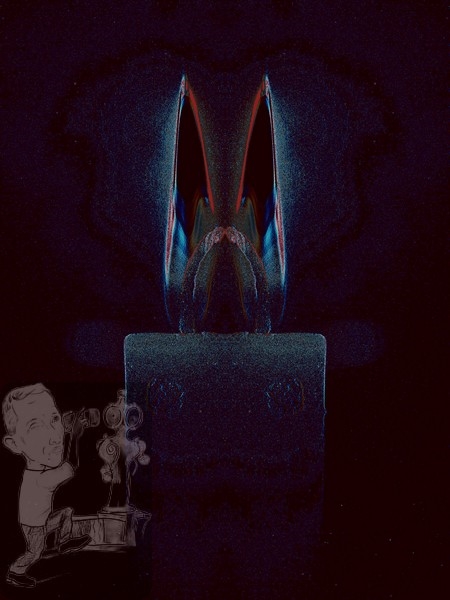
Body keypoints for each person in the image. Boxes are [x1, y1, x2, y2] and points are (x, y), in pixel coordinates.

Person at [2, 383, 91, 588]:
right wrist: (75, 436)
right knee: (35, 552)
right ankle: (15, 572)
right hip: (35, 527)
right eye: (35, 426)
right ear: (14, 444)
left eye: (54, 419)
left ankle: (64, 542)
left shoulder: (35, 472)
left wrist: (69, 428)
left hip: (40, 521)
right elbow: (71, 466)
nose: (54, 438)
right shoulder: (41, 479)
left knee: (66, 512)